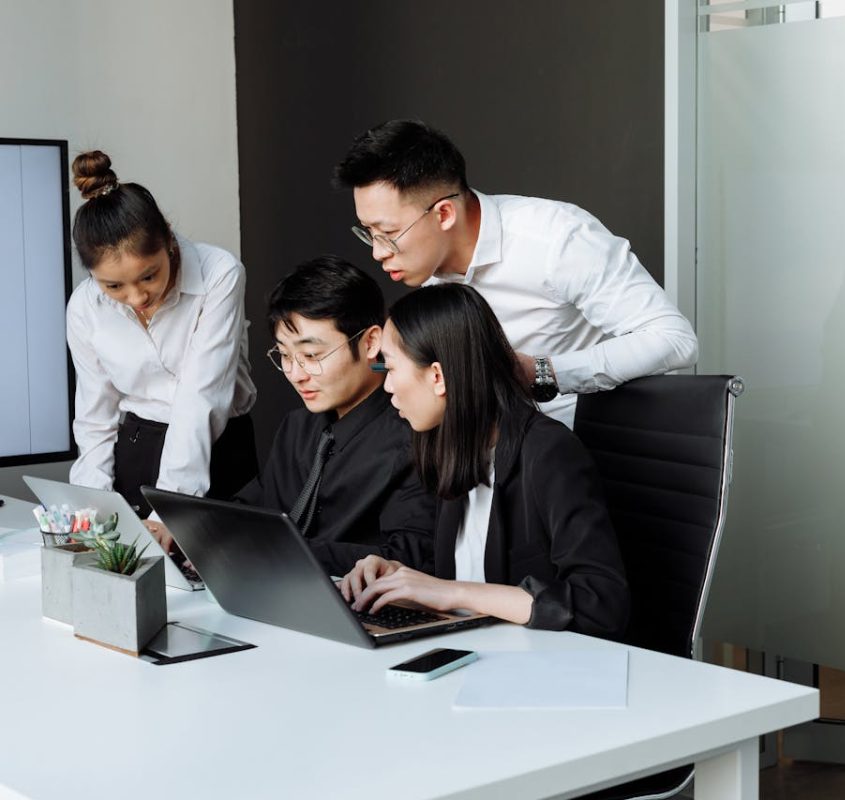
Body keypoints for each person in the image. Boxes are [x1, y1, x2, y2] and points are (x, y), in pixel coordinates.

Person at [333, 119, 699, 427]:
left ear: (443, 214)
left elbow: (675, 339)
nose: (378, 252)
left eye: (390, 234)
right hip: (485, 458)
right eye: (369, 233)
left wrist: (542, 373)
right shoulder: (426, 269)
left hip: (585, 457)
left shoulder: (557, 239)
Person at [340, 283, 629, 639]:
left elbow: (602, 604)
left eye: (391, 368)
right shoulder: (448, 446)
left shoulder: (548, 452)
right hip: (478, 650)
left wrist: (452, 592)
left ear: (437, 377)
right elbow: (466, 564)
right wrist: (397, 573)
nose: (386, 387)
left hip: (543, 671)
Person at [150, 257, 437, 577]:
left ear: (371, 342)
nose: (295, 373)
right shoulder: (297, 427)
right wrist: (193, 530)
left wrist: (273, 550)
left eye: (311, 356)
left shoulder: (413, 436)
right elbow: (251, 509)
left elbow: (409, 555)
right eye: (285, 355)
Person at [66, 150, 257, 517]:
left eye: (149, 275)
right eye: (113, 286)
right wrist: (91, 508)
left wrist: (172, 507)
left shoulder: (219, 274)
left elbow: (201, 396)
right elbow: (95, 417)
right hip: (138, 448)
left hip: (220, 447)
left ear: (168, 239)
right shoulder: (85, 308)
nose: (136, 297)